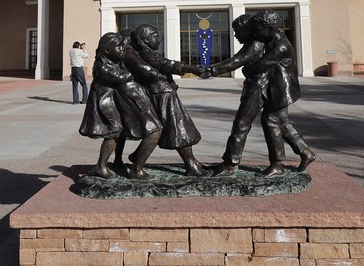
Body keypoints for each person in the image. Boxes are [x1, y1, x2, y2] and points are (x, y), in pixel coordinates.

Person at [206, 12, 316, 176]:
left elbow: (258, 65)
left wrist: (241, 69)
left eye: (257, 30)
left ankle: (232, 163)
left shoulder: (280, 46)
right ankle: (303, 153)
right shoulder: (267, 40)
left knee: (247, 123)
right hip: (273, 88)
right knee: (279, 123)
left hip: (276, 89)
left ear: (269, 28)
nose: (255, 33)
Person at [78, 32, 161, 179]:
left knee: (118, 132)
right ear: (107, 50)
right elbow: (118, 77)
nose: (123, 49)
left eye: (124, 45)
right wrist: (132, 75)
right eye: (119, 46)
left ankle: (114, 162)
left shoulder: (112, 63)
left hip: (112, 102)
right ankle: (101, 166)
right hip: (105, 105)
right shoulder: (101, 66)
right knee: (114, 131)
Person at [128, 24, 208, 176]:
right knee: (179, 128)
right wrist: (193, 69)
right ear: (145, 40)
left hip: (163, 93)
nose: (159, 39)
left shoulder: (147, 54)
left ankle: (138, 156)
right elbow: (167, 64)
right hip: (163, 95)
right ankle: (191, 165)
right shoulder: (147, 55)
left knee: (174, 129)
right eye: (155, 36)